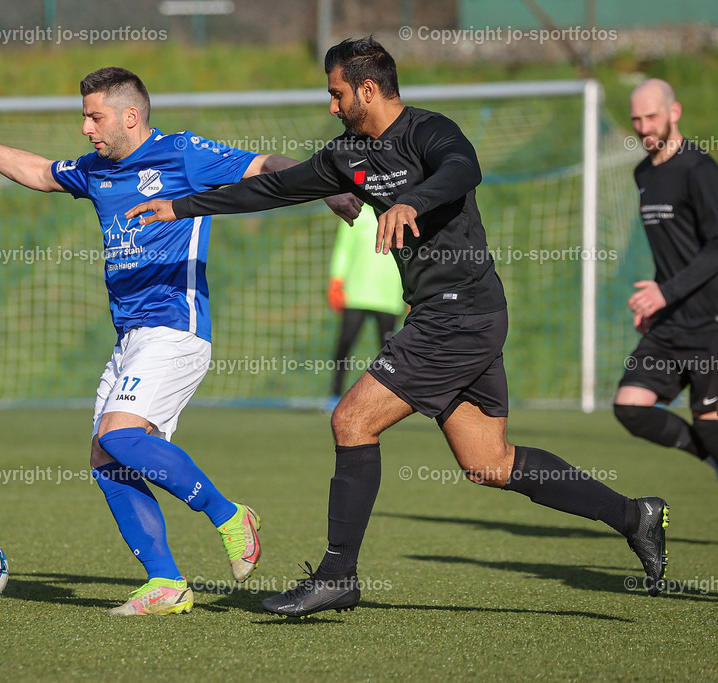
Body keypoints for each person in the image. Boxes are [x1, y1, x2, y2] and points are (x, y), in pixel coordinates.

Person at [127, 37, 672, 616]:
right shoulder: (347, 154)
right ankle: (634, 514)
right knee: (490, 461)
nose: (332, 106)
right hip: (458, 315)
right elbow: (275, 187)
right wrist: (184, 206)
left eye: (337, 94)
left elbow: (465, 169)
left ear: (368, 89)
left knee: (352, 419)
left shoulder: (430, 132)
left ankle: (338, 575)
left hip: (460, 311)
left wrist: (412, 202)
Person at [0, 67, 359, 616]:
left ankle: (229, 515)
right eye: (83, 116)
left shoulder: (183, 154)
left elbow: (266, 164)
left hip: (176, 327)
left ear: (131, 116)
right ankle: (166, 583)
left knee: (119, 437)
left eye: (94, 116)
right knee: (107, 460)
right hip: (131, 337)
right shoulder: (96, 170)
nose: (85, 128)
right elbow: (38, 172)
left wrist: (328, 189)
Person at [613, 78, 718, 475]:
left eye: (651, 116)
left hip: (710, 322)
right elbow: (673, 249)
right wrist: (658, 301)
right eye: (636, 119)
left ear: (674, 113)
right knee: (630, 406)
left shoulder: (700, 168)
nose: (643, 128)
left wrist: (665, 291)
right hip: (671, 320)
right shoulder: (644, 173)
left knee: (710, 427)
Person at [327, 207, 405, 410]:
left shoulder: (401, 214)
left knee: (388, 351)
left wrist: (412, 289)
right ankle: (335, 396)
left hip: (389, 295)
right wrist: (336, 279)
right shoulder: (357, 213)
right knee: (345, 345)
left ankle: (389, 399)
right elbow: (343, 248)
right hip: (356, 292)